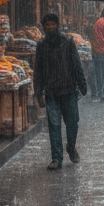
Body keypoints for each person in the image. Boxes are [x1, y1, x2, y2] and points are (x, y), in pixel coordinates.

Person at [34, 13, 88, 170]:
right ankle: (56, 158)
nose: (50, 27)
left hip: (69, 90)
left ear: (57, 25)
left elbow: (76, 64)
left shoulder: (67, 41)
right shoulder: (41, 45)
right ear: (44, 27)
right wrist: (38, 92)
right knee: (54, 125)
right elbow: (38, 70)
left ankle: (71, 147)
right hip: (51, 92)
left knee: (72, 123)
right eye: (47, 25)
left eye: (52, 24)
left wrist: (82, 83)